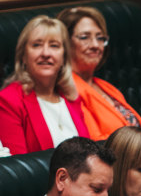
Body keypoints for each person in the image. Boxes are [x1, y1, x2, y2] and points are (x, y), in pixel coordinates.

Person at [0, 16, 89, 155]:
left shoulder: (71, 97)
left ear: (64, 57)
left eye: (54, 46)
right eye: (37, 45)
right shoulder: (8, 100)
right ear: (23, 56)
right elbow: (19, 168)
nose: (46, 53)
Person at [57, 7, 141, 141]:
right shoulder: (66, 89)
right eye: (84, 37)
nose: (95, 45)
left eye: (100, 38)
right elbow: (94, 144)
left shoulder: (106, 87)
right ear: (65, 42)